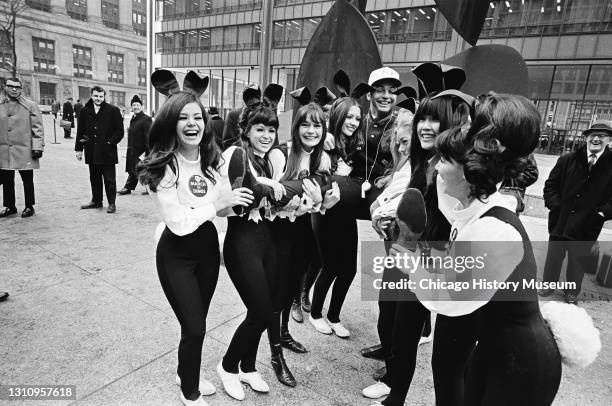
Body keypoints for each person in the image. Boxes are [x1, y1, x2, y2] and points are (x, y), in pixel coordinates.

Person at [408, 94, 562, 404]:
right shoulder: (482, 205)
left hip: (523, 364)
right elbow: (451, 208)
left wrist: (410, 264)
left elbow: (449, 300)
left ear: (468, 170)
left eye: (444, 160)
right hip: (493, 349)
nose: (435, 168)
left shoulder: (494, 228)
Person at [139, 70, 254, 406]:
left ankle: (184, 372)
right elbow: (178, 223)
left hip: (206, 253)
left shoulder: (212, 160)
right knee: (195, 327)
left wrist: (244, 201)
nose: (192, 123)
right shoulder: (163, 166)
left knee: (196, 324)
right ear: (170, 123)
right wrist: (217, 203)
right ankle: (189, 391)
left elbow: (223, 210)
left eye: (197, 117)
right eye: (183, 117)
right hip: (175, 256)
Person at [309, 67, 400, 339]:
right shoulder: (325, 144)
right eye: (348, 117)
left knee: (348, 268)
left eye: (356, 118)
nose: (352, 121)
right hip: (326, 209)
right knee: (331, 265)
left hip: (346, 210)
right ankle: (315, 313)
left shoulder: (355, 142)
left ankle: (334, 316)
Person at [540, 119, 612, 304]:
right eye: (592, 135)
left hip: (587, 224)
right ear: (586, 138)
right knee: (554, 256)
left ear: (609, 140)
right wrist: (555, 206)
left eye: (601, 136)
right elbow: (550, 186)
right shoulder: (567, 159)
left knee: (578, 260)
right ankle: (548, 284)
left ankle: (572, 291)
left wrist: (601, 214)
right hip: (561, 220)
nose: (596, 139)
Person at [75, 86, 124, 214]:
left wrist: (109, 142)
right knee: (94, 177)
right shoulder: (85, 111)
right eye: (96, 96)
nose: (98, 99)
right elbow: (81, 131)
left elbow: (120, 132)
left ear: (104, 97)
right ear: (91, 95)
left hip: (107, 152)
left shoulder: (113, 110)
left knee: (109, 179)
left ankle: (111, 203)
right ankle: (96, 201)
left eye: (101, 96)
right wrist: (79, 149)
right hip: (91, 151)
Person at [0, 77, 44, 218]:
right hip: (5, 149)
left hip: (25, 148)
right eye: (11, 86)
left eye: (17, 87)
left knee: (27, 179)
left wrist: (38, 146)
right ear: (5, 87)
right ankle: (9, 206)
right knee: (7, 178)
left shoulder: (30, 105)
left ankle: (29, 206)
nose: (14, 89)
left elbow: (38, 128)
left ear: (21, 89)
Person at [118, 95, 152, 195]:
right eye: (134, 105)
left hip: (141, 151)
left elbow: (149, 137)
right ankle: (128, 188)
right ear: (131, 107)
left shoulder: (146, 119)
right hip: (133, 150)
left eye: (138, 105)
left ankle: (150, 188)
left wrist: (147, 153)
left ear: (141, 107)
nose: (136, 107)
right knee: (134, 170)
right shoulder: (134, 118)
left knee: (141, 170)